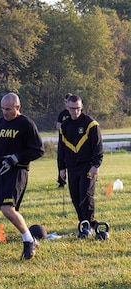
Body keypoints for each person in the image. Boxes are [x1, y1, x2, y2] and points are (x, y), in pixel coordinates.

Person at [0, 92, 44, 261]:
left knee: (8, 209)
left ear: (17, 107)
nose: (4, 112)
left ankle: (29, 240)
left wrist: (17, 158)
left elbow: (38, 150)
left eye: (8, 109)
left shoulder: (26, 124)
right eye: (2, 109)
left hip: (16, 172)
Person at [58, 94, 103, 238]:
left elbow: (98, 147)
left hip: (87, 166)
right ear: (67, 107)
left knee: (86, 194)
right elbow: (61, 149)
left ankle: (88, 223)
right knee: (75, 195)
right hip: (72, 167)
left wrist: (96, 164)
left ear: (81, 107)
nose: (75, 112)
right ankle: (83, 222)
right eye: (72, 109)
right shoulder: (64, 127)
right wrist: (61, 168)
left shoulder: (91, 124)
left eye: (77, 108)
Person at [56, 93, 71, 188]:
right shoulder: (62, 114)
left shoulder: (75, 112)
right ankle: (61, 181)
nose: (66, 104)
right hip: (63, 140)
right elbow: (58, 126)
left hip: (74, 141)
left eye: (68, 101)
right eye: (65, 102)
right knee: (61, 160)